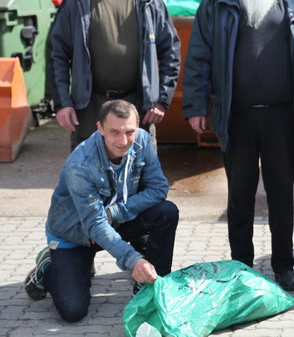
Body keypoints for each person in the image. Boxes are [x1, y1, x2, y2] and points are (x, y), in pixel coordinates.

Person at [182, 0, 294, 292]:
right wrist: (196, 105)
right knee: (239, 195)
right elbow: (199, 55)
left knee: (282, 195)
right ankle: (240, 266)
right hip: (236, 115)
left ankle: (284, 265)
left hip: (282, 116)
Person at [24, 100, 179, 322]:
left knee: (166, 211)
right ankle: (48, 266)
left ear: (137, 128)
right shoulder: (80, 165)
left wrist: (115, 212)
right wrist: (133, 259)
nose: (123, 140)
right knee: (73, 310)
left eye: (129, 131)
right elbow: (95, 225)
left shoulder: (142, 141)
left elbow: (159, 188)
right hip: (76, 235)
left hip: (112, 221)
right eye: (114, 132)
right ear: (100, 128)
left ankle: (152, 286)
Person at [48, 0, 180, 149]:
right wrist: (62, 103)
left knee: (139, 177)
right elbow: (57, 54)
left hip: (138, 105)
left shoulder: (149, 1)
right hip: (90, 107)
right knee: (89, 179)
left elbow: (171, 52)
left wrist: (161, 100)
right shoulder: (76, 0)